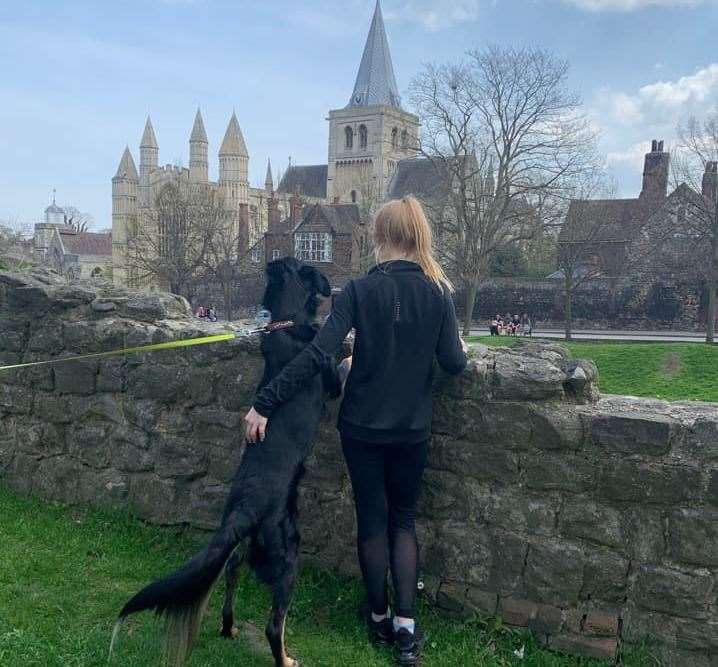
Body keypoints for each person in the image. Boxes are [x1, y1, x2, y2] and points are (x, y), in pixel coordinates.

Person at [244, 196, 467, 666]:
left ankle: (379, 617)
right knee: (402, 521)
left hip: (362, 426)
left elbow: (317, 354)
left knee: (371, 519)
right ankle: (406, 631)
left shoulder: (361, 291)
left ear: (383, 238)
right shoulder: (438, 292)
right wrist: (453, 340)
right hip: (412, 428)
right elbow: (454, 362)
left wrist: (265, 401)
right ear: (419, 236)